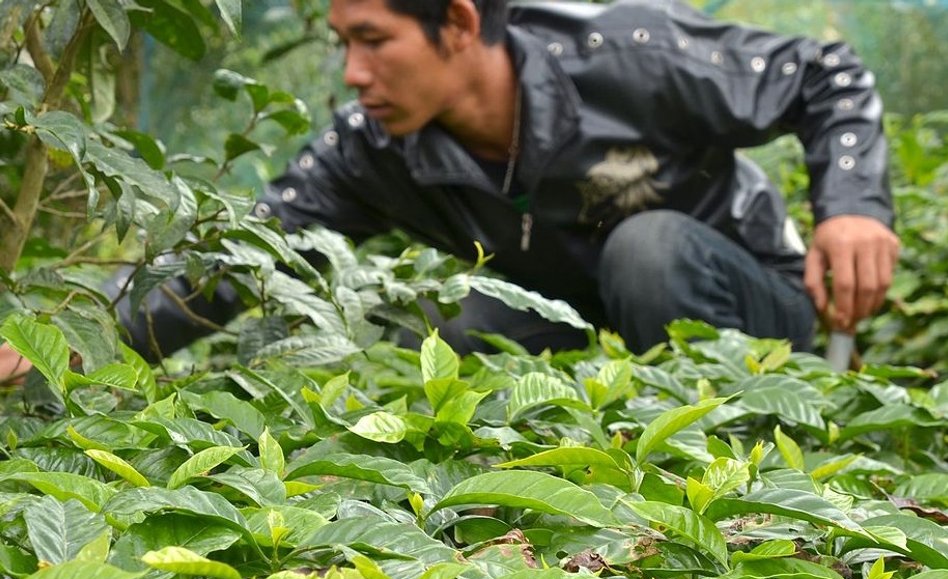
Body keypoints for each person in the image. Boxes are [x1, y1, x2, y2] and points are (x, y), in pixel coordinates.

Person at [1, 0, 899, 369]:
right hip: (573, 307)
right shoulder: (374, 148)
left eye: (375, 40)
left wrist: (853, 207)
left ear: (460, 24)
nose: (352, 73)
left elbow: (824, 73)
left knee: (648, 247)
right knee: (453, 332)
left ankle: (729, 455)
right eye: (341, 43)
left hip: (752, 303)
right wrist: (64, 341)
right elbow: (241, 258)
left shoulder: (623, 55)